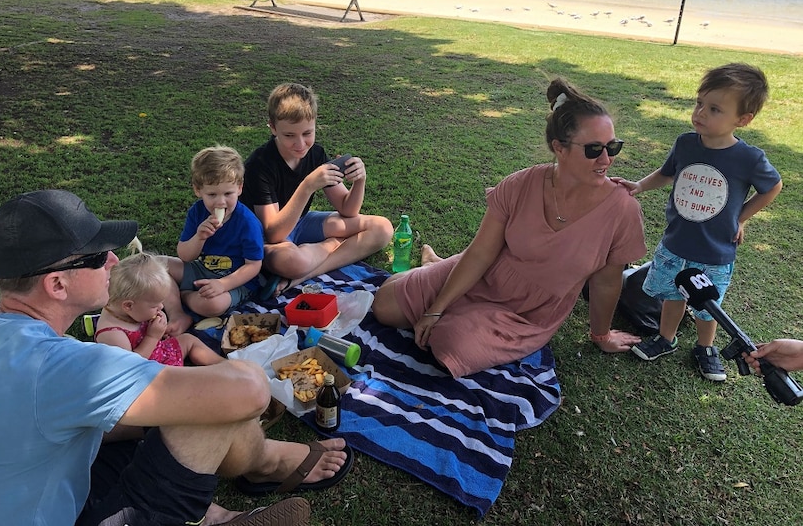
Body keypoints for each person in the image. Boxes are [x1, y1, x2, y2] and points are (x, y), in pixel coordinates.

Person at [0, 189, 353, 526]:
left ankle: (223, 507)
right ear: (56, 285)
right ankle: (264, 465)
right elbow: (245, 391)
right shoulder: (60, 364)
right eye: (99, 256)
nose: (114, 261)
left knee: (149, 417)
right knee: (209, 404)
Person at [371, 78, 647, 378]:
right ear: (560, 148)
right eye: (594, 149)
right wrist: (437, 307)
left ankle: (441, 279)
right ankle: (437, 271)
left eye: (613, 146)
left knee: (448, 345)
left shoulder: (622, 210)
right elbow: (479, 254)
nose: (607, 159)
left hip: (528, 312)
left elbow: (606, 283)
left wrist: (601, 335)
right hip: (486, 272)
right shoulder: (521, 184)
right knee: (384, 307)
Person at [614, 63, 782, 382]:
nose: (700, 113)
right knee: (673, 295)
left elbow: (772, 187)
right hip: (676, 243)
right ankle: (666, 338)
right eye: (699, 103)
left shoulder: (749, 158)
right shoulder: (686, 143)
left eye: (714, 108)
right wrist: (638, 186)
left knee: (707, 306)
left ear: (743, 119)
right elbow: (666, 173)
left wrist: (740, 218)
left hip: (714, 253)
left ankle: (706, 347)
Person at [240, 82, 393, 298]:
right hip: (266, 238)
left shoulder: (316, 154)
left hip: (301, 224)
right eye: (289, 135)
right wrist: (308, 186)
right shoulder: (260, 164)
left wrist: (359, 181)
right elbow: (273, 233)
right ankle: (330, 250)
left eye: (307, 133)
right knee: (294, 261)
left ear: (315, 124)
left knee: (382, 228)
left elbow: (347, 209)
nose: (300, 144)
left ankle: (303, 276)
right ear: (273, 128)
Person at [174, 146, 265, 318]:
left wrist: (222, 284)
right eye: (212, 194)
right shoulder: (197, 212)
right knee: (157, 266)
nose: (220, 202)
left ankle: (183, 296)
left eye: (228, 193)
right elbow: (184, 256)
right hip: (201, 268)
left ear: (239, 188)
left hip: (235, 280)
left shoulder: (247, 222)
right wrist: (199, 237)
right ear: (198, 190)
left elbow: (253, 266)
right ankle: (177, 308)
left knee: (213, 305)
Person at [95, 251, 225, 366]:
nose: (161, 307)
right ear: (128, 305)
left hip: (160, 352)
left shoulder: (132, 311)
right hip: (151, 373)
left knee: (188, 340)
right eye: (154, 305)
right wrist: (152, 337)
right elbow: (131, 366)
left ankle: (225, 365)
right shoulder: (112, 334)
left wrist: (159, 330)